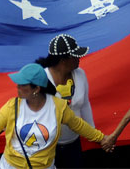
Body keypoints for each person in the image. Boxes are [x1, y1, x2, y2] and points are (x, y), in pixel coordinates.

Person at [0, 63, 111, 168]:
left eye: (22, 85)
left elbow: (79, 126)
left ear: (36, 89)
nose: (17, 87)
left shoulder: (59, 107)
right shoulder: (11, 107)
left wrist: (102, 138)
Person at [36, 35, 94, 168]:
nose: (79, 58)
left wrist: (94, 134)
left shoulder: (80, 75)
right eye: (75, 56)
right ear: (63, 60)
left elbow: (85, 104)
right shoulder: (40, 80)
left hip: (73, 144)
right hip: (47, 148)